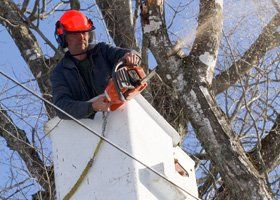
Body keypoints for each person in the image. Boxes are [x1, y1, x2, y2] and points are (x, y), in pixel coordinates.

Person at [51, 10, 140, 119]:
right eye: (75, 34)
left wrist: (131, 56)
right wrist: (91, 107)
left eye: (84, 32)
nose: (81, 37)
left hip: (120, 112)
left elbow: (127, 53)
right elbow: (61, 107)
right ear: (64, 39)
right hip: (89, 127)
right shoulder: (60, 72)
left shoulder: (102, 50)